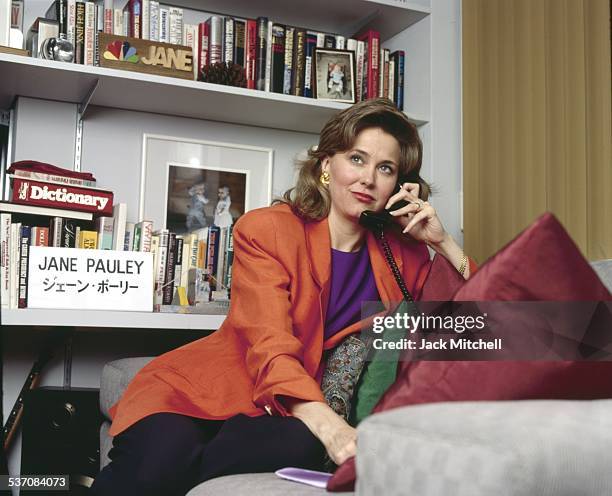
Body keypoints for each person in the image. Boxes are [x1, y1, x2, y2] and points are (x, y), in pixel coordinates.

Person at [91, 98, 476, 496]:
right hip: (200, 392)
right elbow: (269, 343)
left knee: (301, 444)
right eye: (356, 159)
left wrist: (443, 242)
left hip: (276, 411)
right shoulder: (267, 230)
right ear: (326, 165)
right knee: (159, 463)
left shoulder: (404, 255)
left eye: (385, 168)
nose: (368, 179)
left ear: (398, 186)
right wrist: (333, 428)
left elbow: (473, 327)